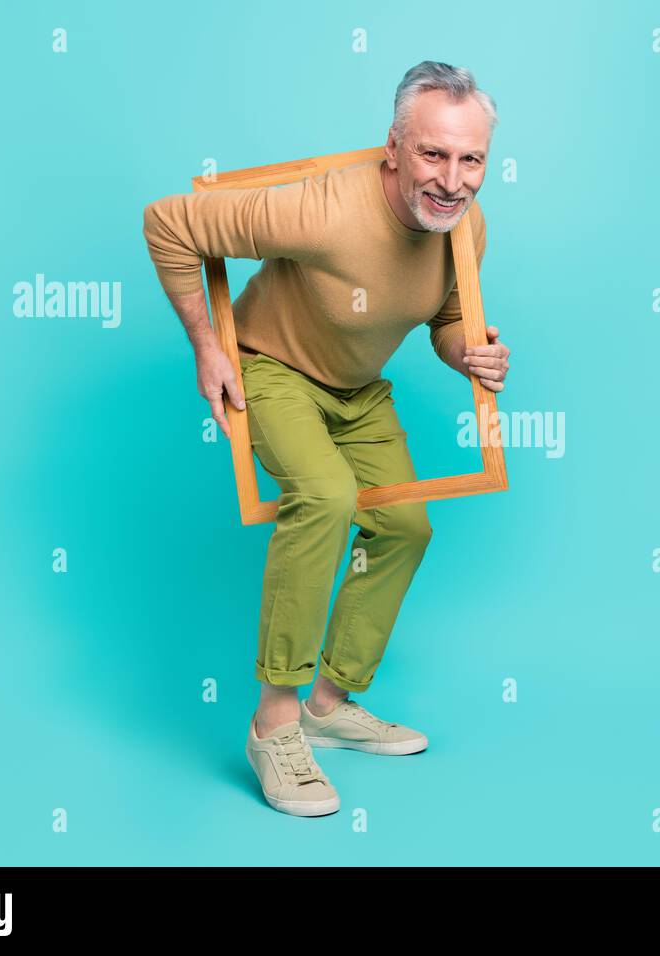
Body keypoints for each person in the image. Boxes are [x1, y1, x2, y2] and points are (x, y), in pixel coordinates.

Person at [141, 61, 509, 816]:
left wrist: (467, 349)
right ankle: (274, 724)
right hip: (273, 370)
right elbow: (167, 223)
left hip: (358, 391)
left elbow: (443, 318)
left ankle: (327, 704)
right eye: (433, 154)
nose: (452, 178)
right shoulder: (324, 211)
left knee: (406, 523)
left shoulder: (465, 228)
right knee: (326, 496)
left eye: (470, 158)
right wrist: (208, 344)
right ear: (394, 148)